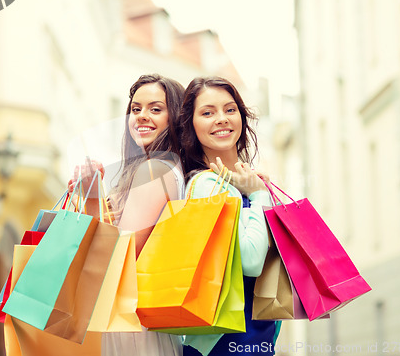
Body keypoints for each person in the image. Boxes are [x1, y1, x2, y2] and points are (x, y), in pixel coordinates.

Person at [68, 73, 185, 356]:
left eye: (156, 109)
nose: (142, 116)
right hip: (133, 321)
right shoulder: (157, 168)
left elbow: (120, 256)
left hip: (132, 324)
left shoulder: (155, 169)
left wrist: (93, 197)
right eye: (136, 109)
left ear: (176, 118)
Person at [177, 76, 281, 356]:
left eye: (230, 109)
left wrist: (258, 191)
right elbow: (250, 261)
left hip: (255, 338)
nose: (221, 119)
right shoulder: (208, 186)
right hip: (223, 343)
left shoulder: (250, 182)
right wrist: (259, 197)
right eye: (208, 112)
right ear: (191, 125)